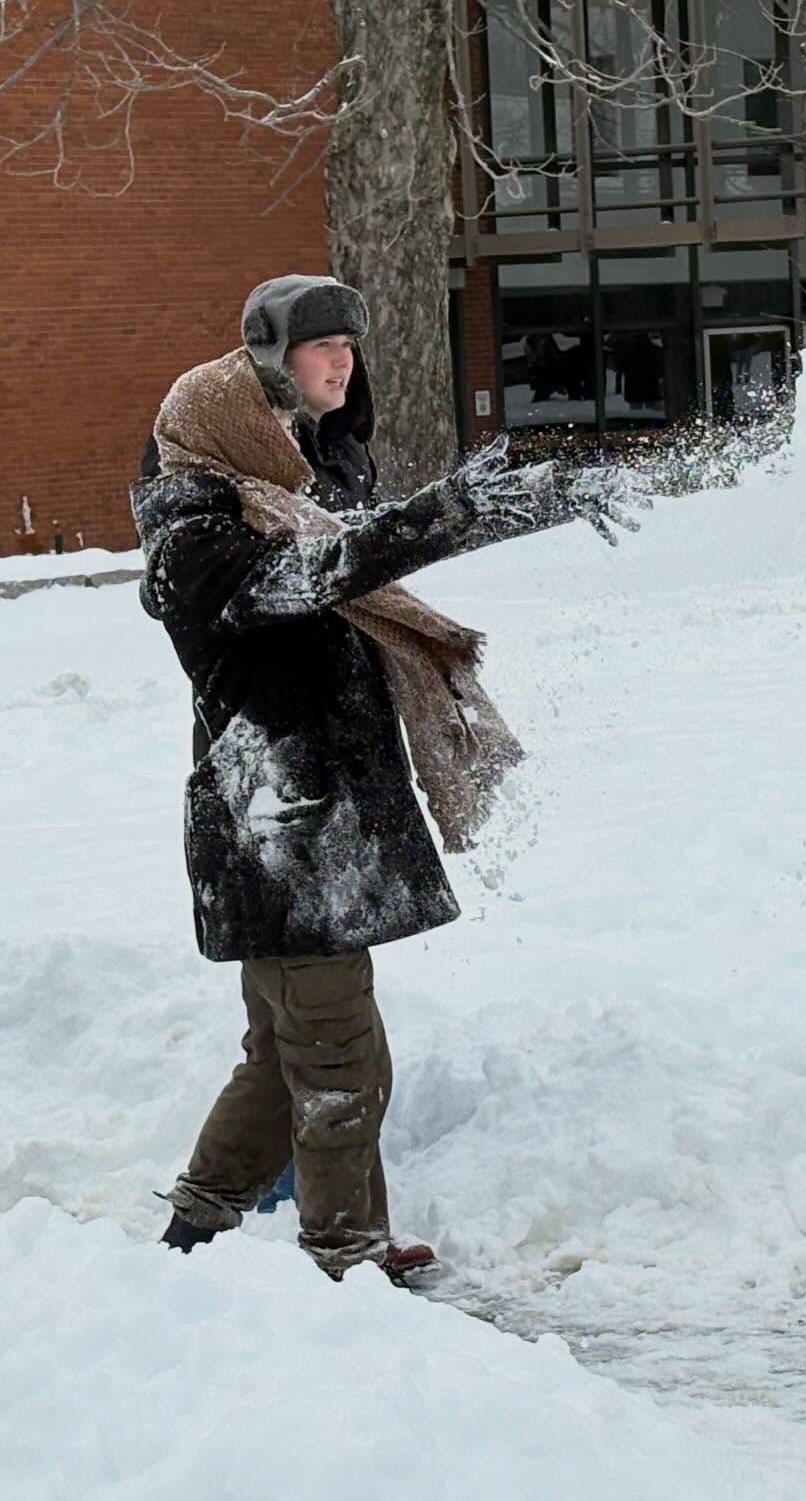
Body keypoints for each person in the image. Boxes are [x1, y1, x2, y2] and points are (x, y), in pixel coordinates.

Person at [132, 273, 637, 1281]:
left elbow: (351, 555)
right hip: (275, 819)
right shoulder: (194, 530)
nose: (343, 364)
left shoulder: (304, 499)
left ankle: (195, 1232)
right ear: (262, 375)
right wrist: (440, 518)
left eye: (350, 348)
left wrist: (521, 506)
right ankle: (343, 1261)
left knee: (288, 1058)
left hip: (315, 815)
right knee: (337, 1060)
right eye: (323, 348)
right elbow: (299, 584)